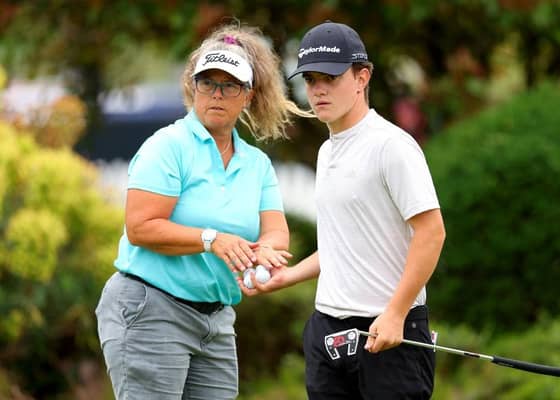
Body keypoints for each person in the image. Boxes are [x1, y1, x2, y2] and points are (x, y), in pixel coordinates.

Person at [95, 22, 308, 399]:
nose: (216, 94)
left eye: (229, 85)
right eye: (207, 82)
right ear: (193, 87)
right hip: (150, 307)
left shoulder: (255, 163)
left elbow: (275, 232)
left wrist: (264, 251)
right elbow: (140, 227)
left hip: (216, 318)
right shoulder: (169, 146)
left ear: (248, 95)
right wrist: (211, 239)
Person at [240, 21, 446, 399]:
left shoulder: (391, 147)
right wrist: (287, 277)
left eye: (329, 78)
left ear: (361, 77)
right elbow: (342, 245)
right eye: (310, 79)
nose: (317, 90)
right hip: (328, 329)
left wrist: (396, 313)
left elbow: (432, 232)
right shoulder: (327, 150)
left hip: (387, 334)